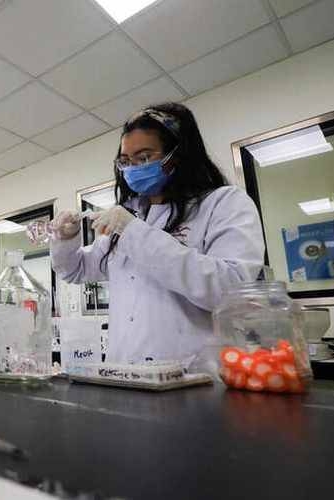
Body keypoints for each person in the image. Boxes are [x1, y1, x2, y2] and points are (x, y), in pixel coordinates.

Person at [50, 102, 264, 365]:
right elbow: (76, 271)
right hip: (125, 373)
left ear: (178, 155)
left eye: (144, 157)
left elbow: (231, 289)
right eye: (126, 161)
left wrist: (133, 232)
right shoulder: (131, 214)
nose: (132, 169)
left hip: (192, 376)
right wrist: (66, 239)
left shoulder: (223, 204)